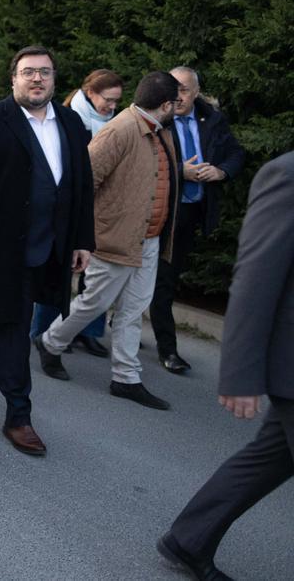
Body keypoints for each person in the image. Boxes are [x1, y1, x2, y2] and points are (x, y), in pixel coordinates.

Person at [0, 46, 94, 456]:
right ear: (13, 79)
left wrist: (83, 240)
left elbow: (80, 186)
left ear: (54, 79)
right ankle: (19, 415)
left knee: (2, 316)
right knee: (15, 325)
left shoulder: (71, 122)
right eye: (28, 72)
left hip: (52, 244)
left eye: (45, 72)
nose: (37, 79)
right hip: (1, 247)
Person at [158, 151, 294, 580]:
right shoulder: (289, 174)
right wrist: (240, 372)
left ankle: (190, 539)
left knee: (271, 457)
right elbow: (256, 275)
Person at [34, 72, 181, 409]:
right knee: (93, 303)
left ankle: (126, 378)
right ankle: (50, 342)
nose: (180, 106)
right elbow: (85, 182)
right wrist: (83, 236)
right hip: (114, 238)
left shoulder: (161, 133)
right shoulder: (121, 130)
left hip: (149, 239)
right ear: (166, 104)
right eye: (177, 101)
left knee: (132, 310)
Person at [149, 66, 245, 374]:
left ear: (196, 92)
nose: (177, 96)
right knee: (160, 280)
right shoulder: (155, 116)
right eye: (173, 88)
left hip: (189, 213)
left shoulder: (212, 119)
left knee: (167, 277)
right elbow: (144, 162)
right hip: (157, 209)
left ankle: (124, 318)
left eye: (185, 90)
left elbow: (236, 154)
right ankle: (168, 350)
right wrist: (180, 170)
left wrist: (220, 171)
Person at [30, 69, 123, 358]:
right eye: (109, 100)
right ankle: (42, 330)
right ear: (91, 93)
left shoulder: (110, 123)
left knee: (92, 276)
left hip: (101, 209)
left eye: (117, 102)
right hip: (70, 207)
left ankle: (87, 332)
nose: (112, 107)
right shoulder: (70, 119)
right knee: (57, 270)